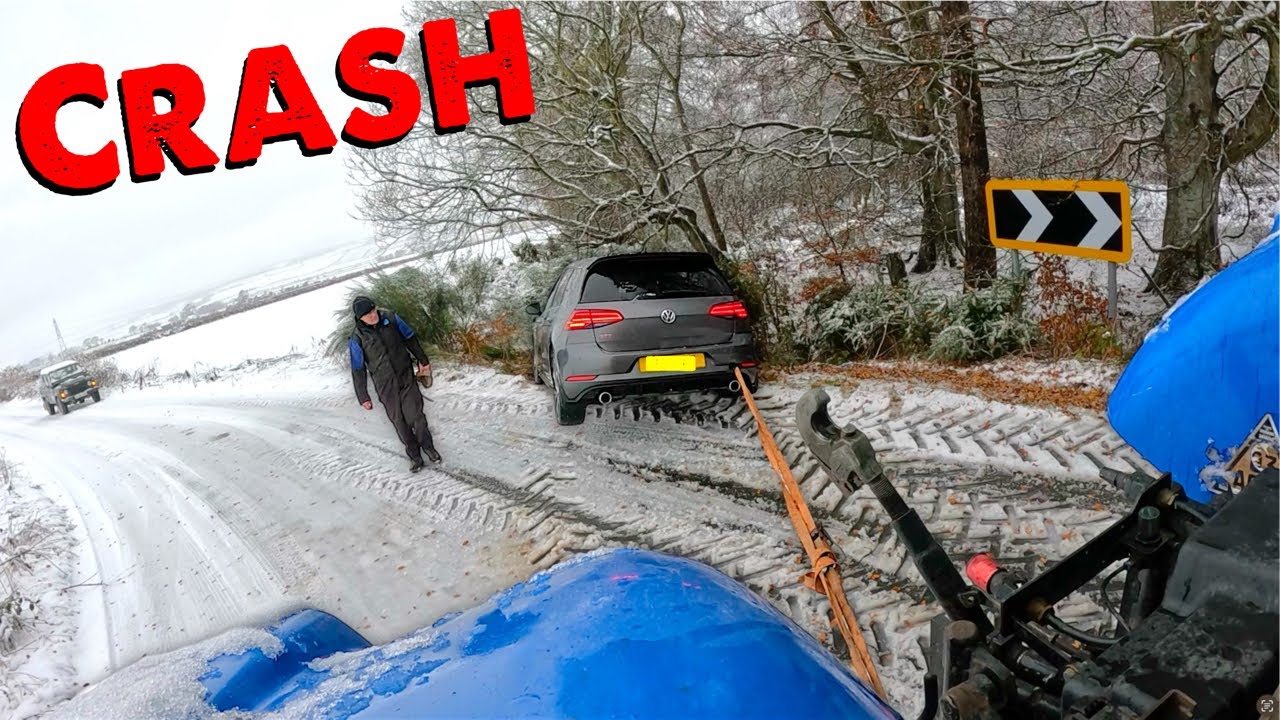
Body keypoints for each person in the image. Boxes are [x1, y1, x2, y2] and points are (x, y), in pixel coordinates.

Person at [349, 296, 441, 471]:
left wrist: (423, 360)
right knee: (399, 422)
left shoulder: (391, 319)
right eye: (368, 314)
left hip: (405, 376)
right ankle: (415, 457)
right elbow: (357, 368)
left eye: (373, 310)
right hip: (385, 386)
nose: (373, 315)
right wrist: (363, 396)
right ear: (360, 318)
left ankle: (428, 447)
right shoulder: (357, 338)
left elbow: (410, 338)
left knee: (416, 416)